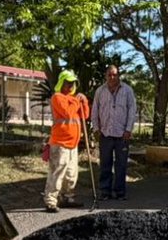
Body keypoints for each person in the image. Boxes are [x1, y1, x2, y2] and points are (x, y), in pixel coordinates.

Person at [44, 69, 90, 211]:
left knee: (71, 173)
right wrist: (77, 100)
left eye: (72, 83)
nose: (70, 86)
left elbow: (85, 115)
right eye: (67, 83)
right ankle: (51, 201)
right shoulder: (57, 97)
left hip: (73, 144)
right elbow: (68, 113)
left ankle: (67, 197)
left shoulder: (73, 100)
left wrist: (84, 101)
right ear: (61, 83)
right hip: (60, 143)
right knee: (57, 172)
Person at [92, 64, 137, 200]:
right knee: (105, 164)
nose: (112, 77)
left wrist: (128, 129)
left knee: (121, 165)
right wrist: (96, 128)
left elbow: (132, 111)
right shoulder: (100, 91)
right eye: (109, 75)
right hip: (105, 133)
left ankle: (119, 192)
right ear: (106, 76)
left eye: (114, 75)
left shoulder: (127, 90)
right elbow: (95, 110)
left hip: (122, 134)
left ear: (118, 76)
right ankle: (105, 191)